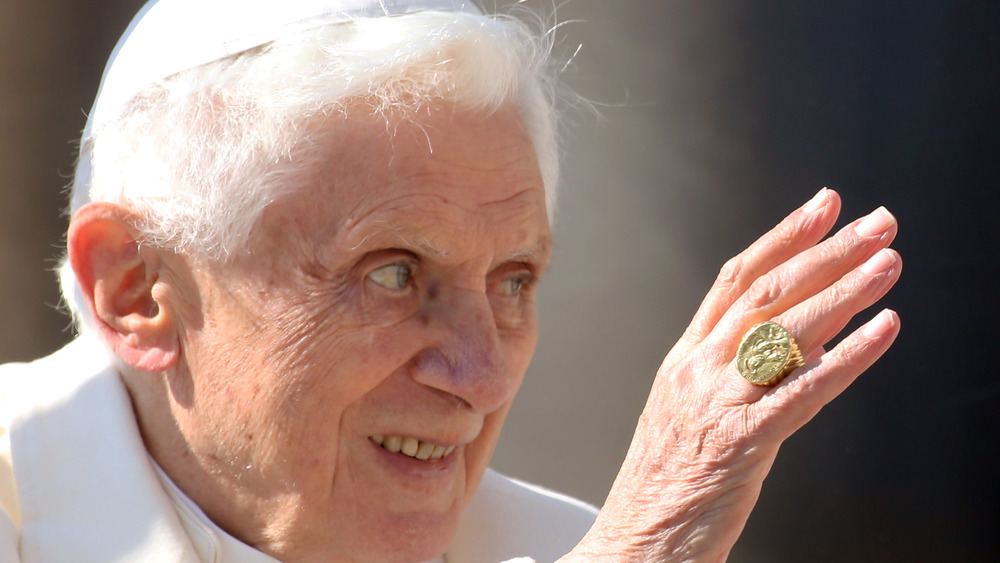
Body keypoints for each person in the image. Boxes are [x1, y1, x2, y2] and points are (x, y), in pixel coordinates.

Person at [0, 0, 902, 561]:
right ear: (136, 289)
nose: (482, 376)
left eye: (514, 281)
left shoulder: (555, 547)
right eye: (393, 273)